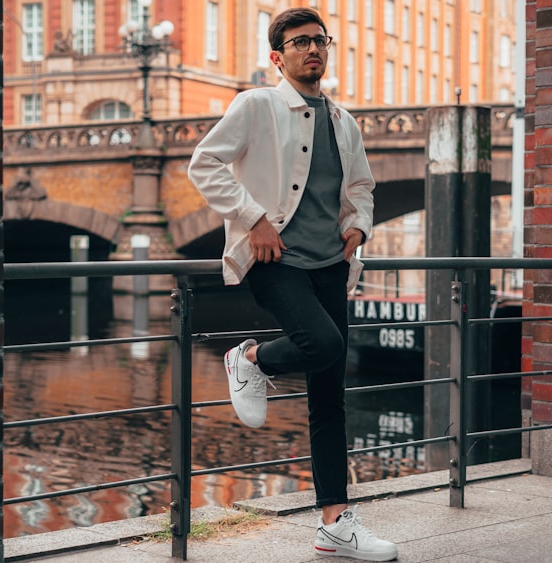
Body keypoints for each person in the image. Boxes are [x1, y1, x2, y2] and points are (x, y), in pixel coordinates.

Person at [188, 7, 397, 562]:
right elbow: (203, 163)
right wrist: (253, 217)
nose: (314, 50)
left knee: (330, 399)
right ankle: (250, 358)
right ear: (277, 57)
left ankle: (335, 522)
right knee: (323, 345)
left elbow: (362, 186)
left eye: (320, 41)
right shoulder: (257, 104)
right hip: (274, 258)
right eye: (300, 42)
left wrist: (358, 223)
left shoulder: (344, 120)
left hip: (331, 265)